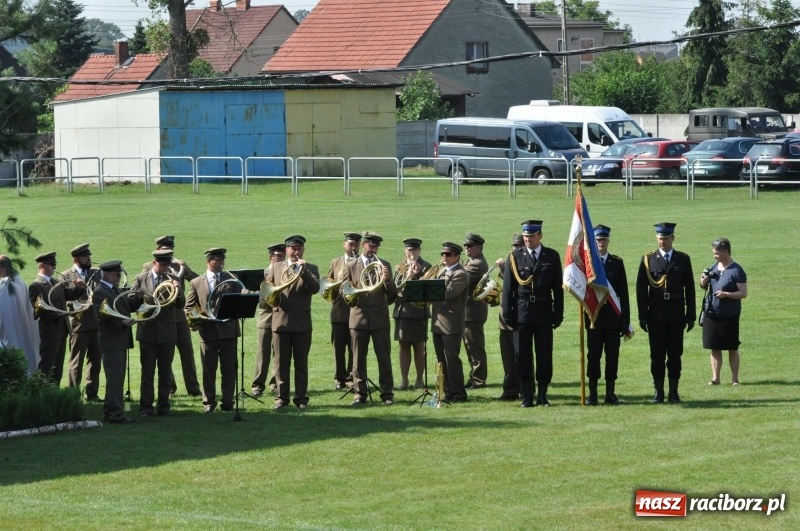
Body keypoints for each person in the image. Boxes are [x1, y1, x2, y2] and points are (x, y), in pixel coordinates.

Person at [501, 220, 564, 408]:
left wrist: (558, 313)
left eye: (531, 236)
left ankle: (542, 395)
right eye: (526, 236)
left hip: (544, 312)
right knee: (523, 355)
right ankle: (527, 395)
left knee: (544, 354)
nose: (528, 239)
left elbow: (558, 288)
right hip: (522, 313)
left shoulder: (551, 256)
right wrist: (508, 314)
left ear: (540, 236)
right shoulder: (515, 257)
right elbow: (508, 289)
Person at [636, 222, 695, 404]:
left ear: (672, 238)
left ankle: (674, 392)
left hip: (676, 314)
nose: (662, 242)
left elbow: (690, 289)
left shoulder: (682, 259)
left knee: (675, 354)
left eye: (666, 238)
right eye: (660, 238)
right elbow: (641, 290)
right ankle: (658, 392)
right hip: (656, 315)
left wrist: (690, 315)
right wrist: (643, 316)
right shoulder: (648, 259)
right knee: (657, 355)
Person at [142, 235, 202, 398]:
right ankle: (169, 388)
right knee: (165, 354)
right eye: (165, 249)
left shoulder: (178, 266)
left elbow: (198, 281)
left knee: (187, 352)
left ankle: (193, 388)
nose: (169, 252)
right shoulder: (148, 267)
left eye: (171, 249)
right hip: (161, 318)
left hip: (179, 316)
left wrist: (186, 269)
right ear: (158, 249)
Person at [185, 247, 243, 413]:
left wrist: (244, 295)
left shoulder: (232, 279)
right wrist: (194, 319)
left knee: (229, 369)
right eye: (217, 260)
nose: (221, 263)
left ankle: (228, 402)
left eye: (222, 259)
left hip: (228, 331)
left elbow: (240, 302)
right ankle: (209, 402)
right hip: (207, 332)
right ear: (208, 261)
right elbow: (188, 307)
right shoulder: (196, 282)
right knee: (208, 370)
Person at [343, 231, 397, 406]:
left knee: (384, 358)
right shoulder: (351, 265)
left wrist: (387, 280)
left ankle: (387, 393)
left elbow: (392, 295)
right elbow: (345, 291)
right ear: (363, 245)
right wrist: (352, 297)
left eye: (376, 247)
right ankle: (360, 393)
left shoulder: (384, 265)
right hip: (358, 318)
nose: (373, 249)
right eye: (371, 246)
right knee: (358, 359)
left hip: (379, 319)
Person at [268, 235, 320, 409]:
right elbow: (268, 291)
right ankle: (281, 399)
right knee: (280, 364)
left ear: (303, 250)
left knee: (301, 364)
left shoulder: (311, 268)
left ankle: (301, 398)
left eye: (299, 248)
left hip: (301, 323)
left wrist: (303, 271)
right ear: (287, 250)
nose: (296, 252)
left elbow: (315, 289)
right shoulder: (276, 267)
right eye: (293, 248)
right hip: (280, 322)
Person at [131, 249, 183, 417]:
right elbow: (131, 304)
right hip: (147, 332)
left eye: (168, 264)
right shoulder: (140, 279)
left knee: (165, 372)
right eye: (163, 264)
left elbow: (180, 304)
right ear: (154, 263)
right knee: (147, 372)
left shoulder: (172, 279)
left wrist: (178, 288)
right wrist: (137, 296)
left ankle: (163, 406)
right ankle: (146, 407)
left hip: (167, 333)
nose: (166, 268)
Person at [584, 225, 630, 405]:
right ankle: (593, 393)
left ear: (608, 240)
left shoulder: (616, 263)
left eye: (603, 240)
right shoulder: (587, 264)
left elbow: (623, 294)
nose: (601, 243)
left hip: (613, 319)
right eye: (597, 240)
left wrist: (625, 321)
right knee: (593, 356)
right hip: (593, 319)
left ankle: (610, 393)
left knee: (612, 356)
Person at [92, 260, 135, 425]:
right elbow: (101, 316)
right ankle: (116, 414)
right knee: (115, 380)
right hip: (111, 342)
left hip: (118, 341)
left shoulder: (114, 289)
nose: (119, 277)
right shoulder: (100, 292)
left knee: (115, 378)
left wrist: (139, 298)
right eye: (117, 274)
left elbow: (125, 306)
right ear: (108, 275)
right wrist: (122, 323)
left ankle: (109, 411)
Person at [28, 251, 82, 384]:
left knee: (58, 368)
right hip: (50, 332)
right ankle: (42, 392)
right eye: (51, 264)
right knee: (47, 366)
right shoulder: (36, 285)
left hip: (62, 331)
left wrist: (78, 288)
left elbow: (69, 295)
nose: (54, 267)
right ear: (41, 266)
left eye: (54, 264)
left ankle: (55, 393)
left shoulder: (57, 282)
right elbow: (39, 309)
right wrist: (56, 314)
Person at [700, 238, 747, 386]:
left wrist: (726, 294)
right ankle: (715, 378)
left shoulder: (736, 270)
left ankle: (735, 379)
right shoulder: (714, 267)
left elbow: (743, 293)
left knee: (732, 347)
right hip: (712, 313)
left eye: (717, 253)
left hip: (729, 315)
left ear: (726, 252)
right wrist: (703, 282)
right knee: (714, 347)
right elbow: (705, 286)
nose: (714, 256)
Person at [62, 243, 102, 402]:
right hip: (78, 325)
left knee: (95, 361)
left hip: (95, 323)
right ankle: (73, 395)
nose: (89, 259)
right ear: (77, 258)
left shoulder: (96, 273)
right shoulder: (66, 275)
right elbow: (64, 299)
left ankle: (92, 394)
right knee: (76, 362)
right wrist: (77, 296)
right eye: (86, 256)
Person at [430, 242, 470, 402]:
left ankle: (459, 393)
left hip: (451, 323)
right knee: (441, 360)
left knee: (451, 359)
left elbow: (449, 293)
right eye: (443, 254)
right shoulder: (442, 271)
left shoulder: (460, 273)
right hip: (438, 322)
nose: (444, 257)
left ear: (457, 257)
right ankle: (447, 391)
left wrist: (428, 287)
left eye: (448, 255)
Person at [392, 237, 431, 390]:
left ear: (419, 250)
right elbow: (395, 287)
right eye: (409, 250)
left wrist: (416, 275)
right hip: (403, 311)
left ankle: (420, 379)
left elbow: (428, 288)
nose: (411, 253)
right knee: (403, 346)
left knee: (419, 346)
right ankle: (404, 379)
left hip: (418, 311)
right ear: (405, 250)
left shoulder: (426, 266)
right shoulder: (399, 266)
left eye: (414, 250)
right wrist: (406, 276)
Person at [251, 243, 285, 397]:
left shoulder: (287, 272)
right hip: (266, 317)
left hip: (282, 316)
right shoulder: (262, 274)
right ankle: (258, 385)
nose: (281, 258)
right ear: (271, 257)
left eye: (283, 256)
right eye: (278, 256)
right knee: (263, 352)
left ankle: (275, 383)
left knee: (279, 352)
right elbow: (261, 300)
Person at [327, 232, 360, 389]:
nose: (352, 247)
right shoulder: (335, 262)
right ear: (344, 244)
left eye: (355, 245)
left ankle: (351, 377)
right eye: (350, 244)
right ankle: (339, 378)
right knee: (338, 348)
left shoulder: (361, 262)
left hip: (356, 311)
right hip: (339, 312)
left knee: (354, 348)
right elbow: (328, 285)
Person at [0, 255, 40, 374]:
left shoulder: (5, 286)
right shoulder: (21, 283)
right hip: (23, 329)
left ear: (3, 267)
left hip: (8, 333)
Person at [496, 234, 523, 400]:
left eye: (519, 246)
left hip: (520, 318)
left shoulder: (527, 263)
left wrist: (504, 270)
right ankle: (510, 390)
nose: (516, 249)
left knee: (522, 356)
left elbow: (519, 284)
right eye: (514, 246)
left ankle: (525, 389)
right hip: (504, 319)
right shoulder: (510, 262)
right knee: (507, 358)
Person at [462, 232, 489, 389]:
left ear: (479, 247)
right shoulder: (473, 261)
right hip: (470, 312)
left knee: (475, 348)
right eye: (466, 245)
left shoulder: (476, 264)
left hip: (472, 313)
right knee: (470, 347)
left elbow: (461, 279)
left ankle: (479, 380)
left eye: (470, 246)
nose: (467, 248)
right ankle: (474, 377)